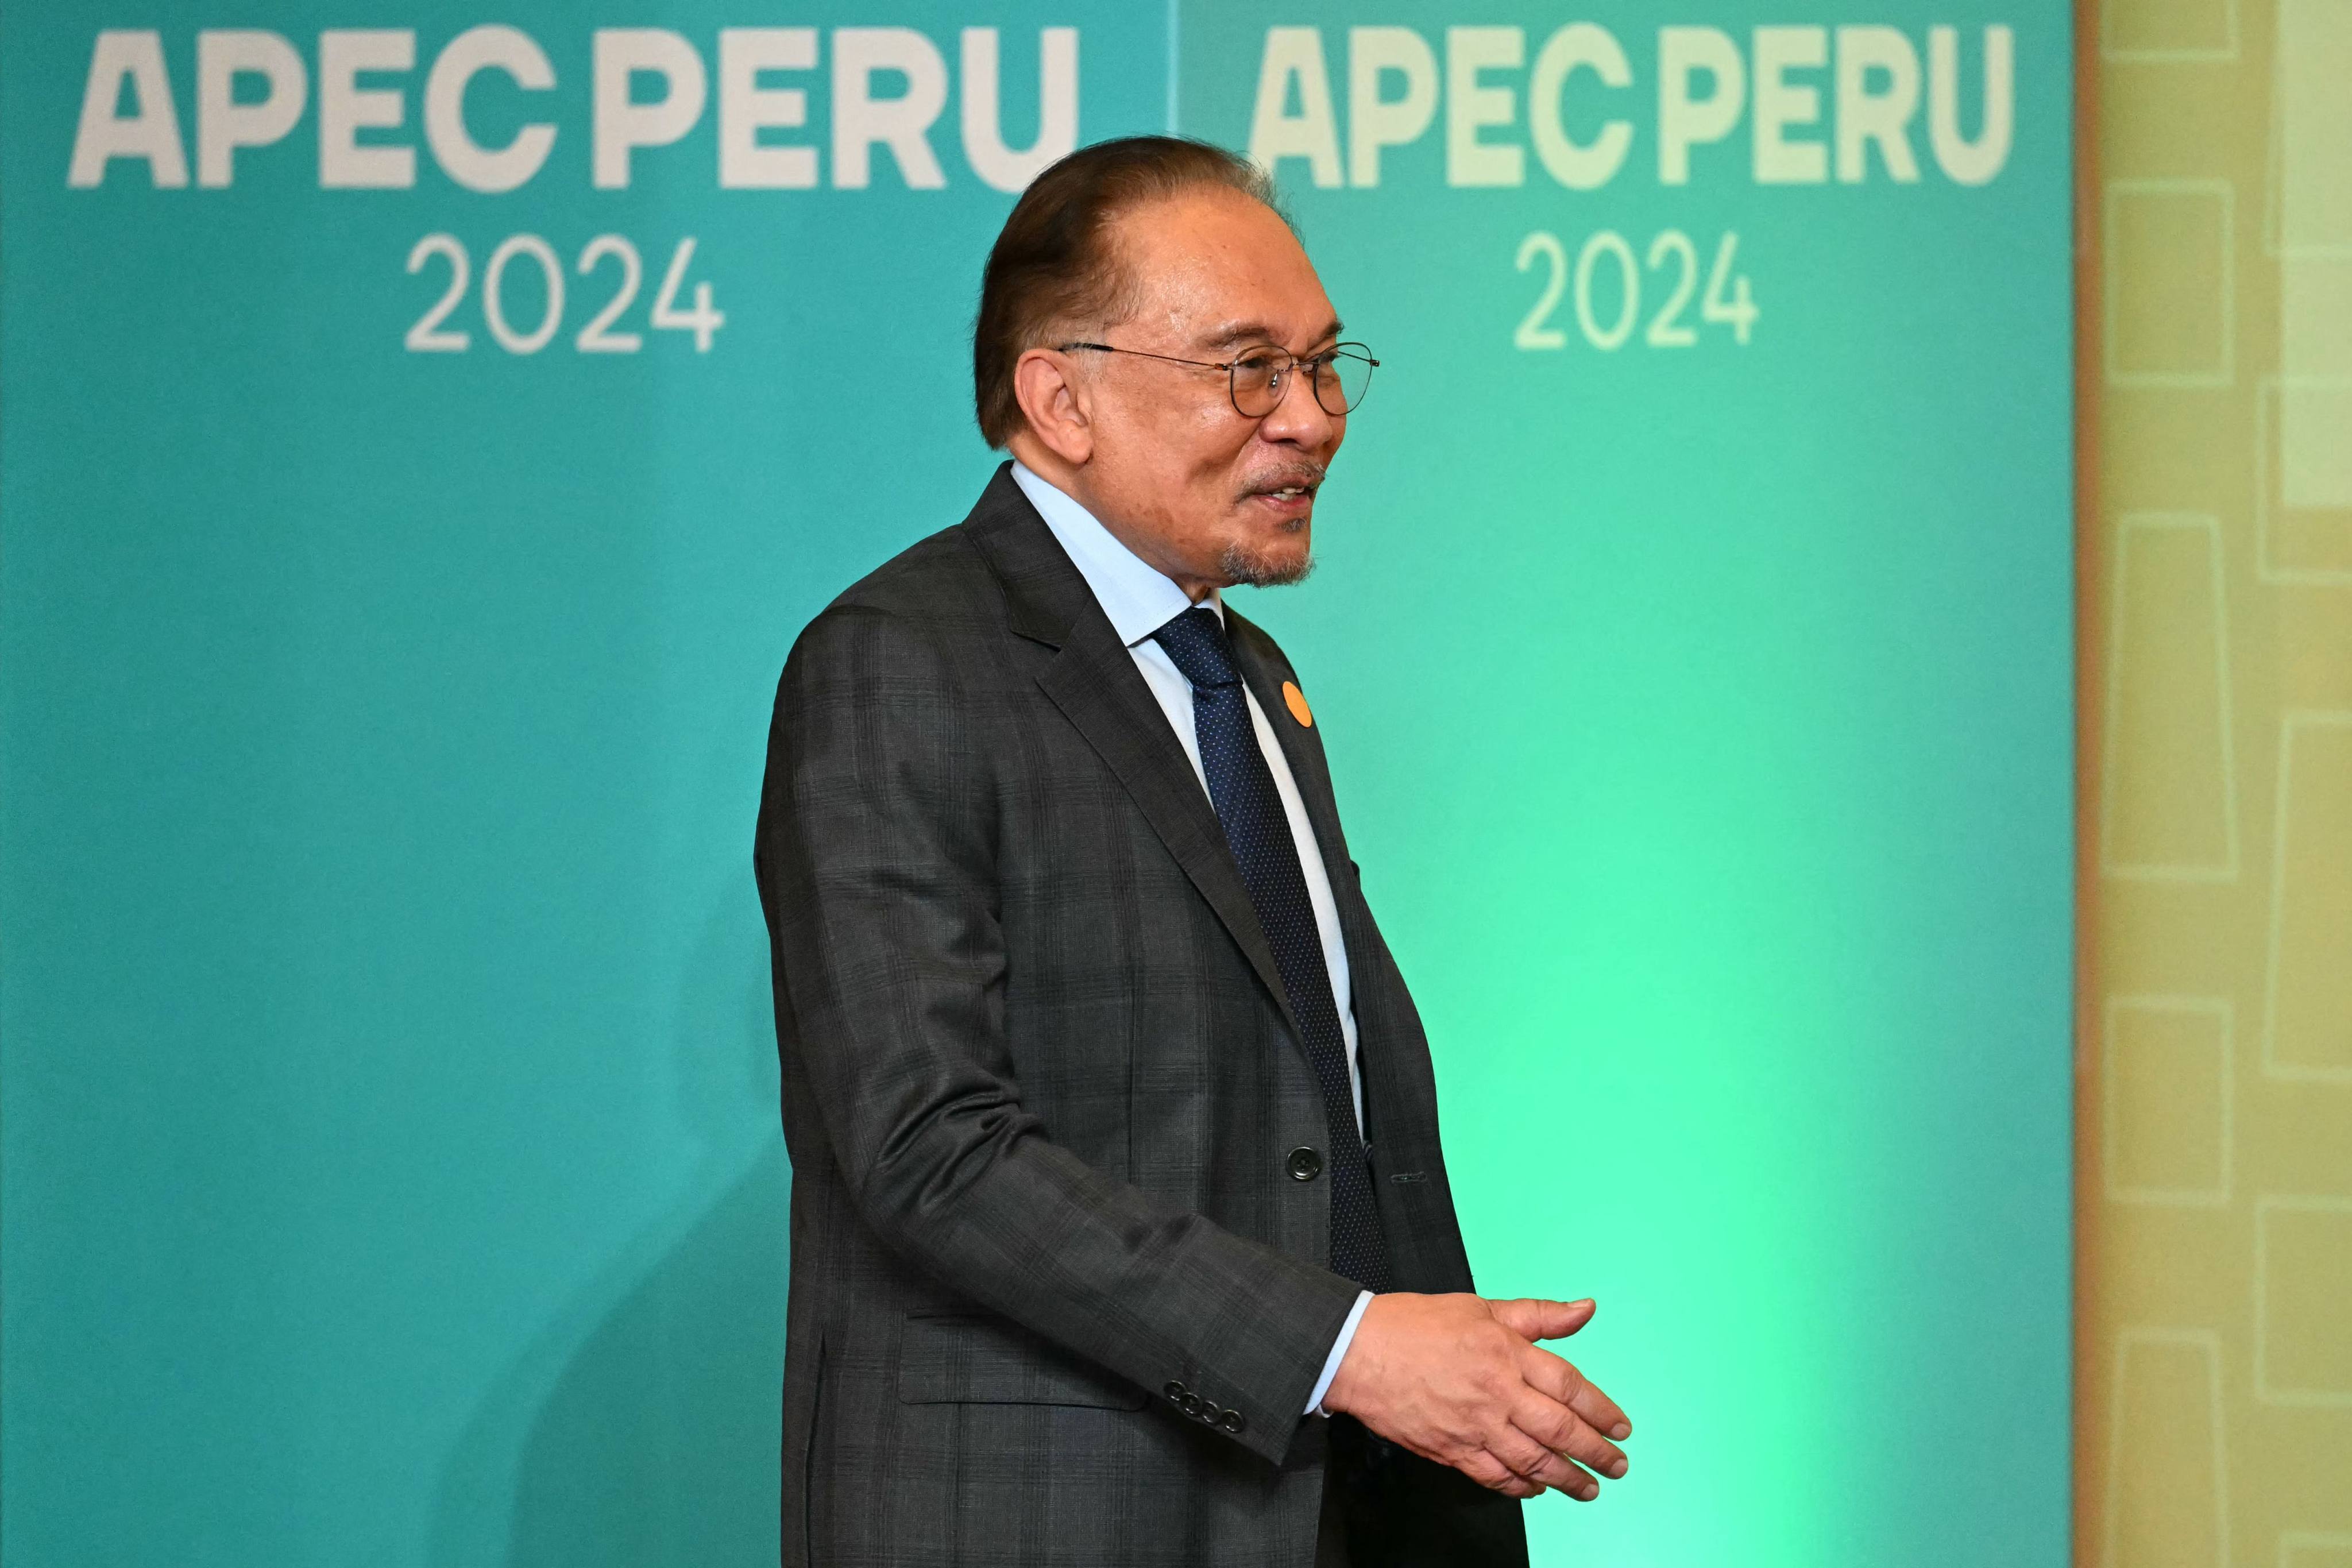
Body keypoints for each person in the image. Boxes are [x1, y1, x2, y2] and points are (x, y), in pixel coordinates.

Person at [752, 135, 1631, 1568]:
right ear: (1061, 396)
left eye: (1323, 361)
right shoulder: (895, 664)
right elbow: (929, 1148)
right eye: (1248, 369)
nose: (1313, 418)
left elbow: (1317, 1119)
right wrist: (1346, 1352)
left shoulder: (1251, 680)